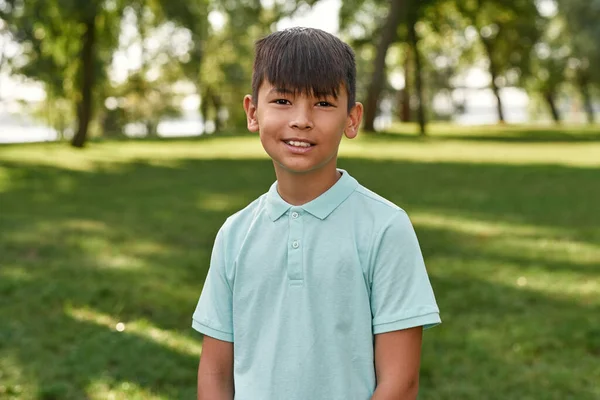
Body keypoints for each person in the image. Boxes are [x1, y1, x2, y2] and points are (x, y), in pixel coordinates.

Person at [192, 27, 441, 400]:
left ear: (352, 118)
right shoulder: (235, 234)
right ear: (252, 112)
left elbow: (400, 383)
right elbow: (214, 373)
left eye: (323, 103)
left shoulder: (385, 228)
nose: (302, 119)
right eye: (282, 101)